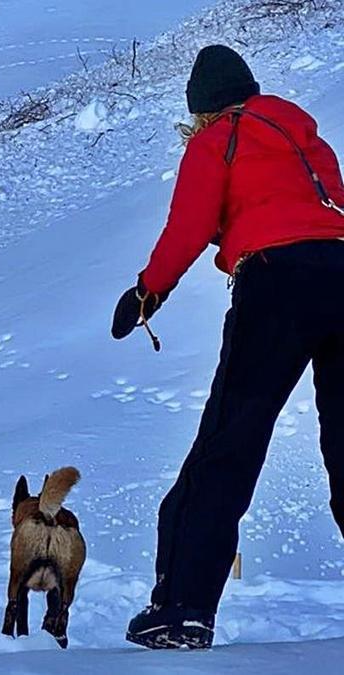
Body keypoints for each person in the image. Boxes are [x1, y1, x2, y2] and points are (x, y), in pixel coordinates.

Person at [111, 44, 344, 650]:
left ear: (203, 110)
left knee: (230, 443)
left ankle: (181, 608)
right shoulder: (304, 138)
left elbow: (189, 225)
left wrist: (147, 291)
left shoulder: (217, 140)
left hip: (276, 282)